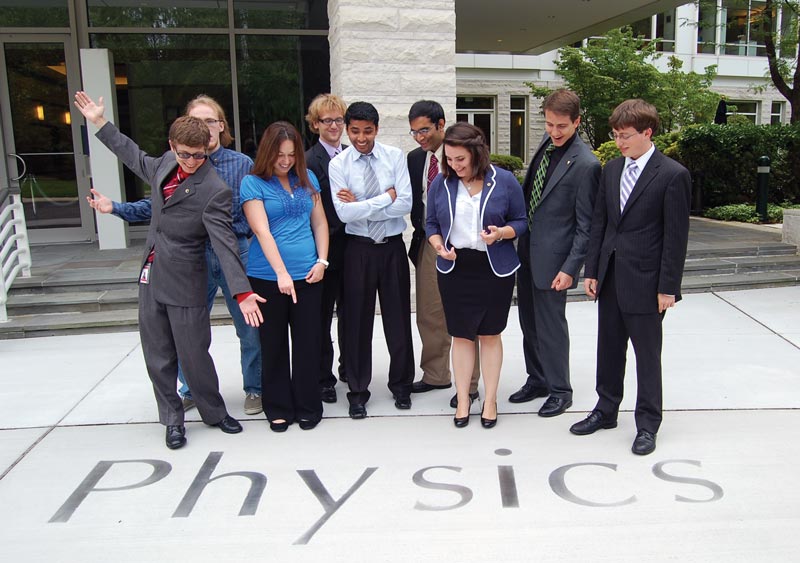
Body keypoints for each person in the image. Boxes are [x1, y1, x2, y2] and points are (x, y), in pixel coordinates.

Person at [74, 91, 264, 450]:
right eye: (185, 154)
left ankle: (213, 411)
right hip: (152, 273)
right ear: (172, 146)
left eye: (199, 155)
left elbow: (224, 243)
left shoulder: (215, 190)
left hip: (187, 280)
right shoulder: (163, 164)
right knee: (158, 353)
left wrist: (241, 292)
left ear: (210, 147)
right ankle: (173, 419)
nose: (192, 161)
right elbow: (131, 154)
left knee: (194, 352)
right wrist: (99, 121)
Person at [571, 99, 691, 456]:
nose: (619, 142)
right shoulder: (611, 170)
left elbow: (675, 237)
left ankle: (648, 424)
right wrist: (592, 270)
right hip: (609, 277)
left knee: (647, 356)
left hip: (647, 282)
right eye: (616, 135)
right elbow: (600, 223)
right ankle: (605, 410)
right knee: (608, 350)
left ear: (647, 133)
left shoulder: (672, 175)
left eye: (626, 136)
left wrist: (668, 287)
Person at [426, 122, 527, 429]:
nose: (455, 165)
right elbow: (431, 224)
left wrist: (502, 233)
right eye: (451, 159)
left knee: (490, 334)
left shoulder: (505, 180)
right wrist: (439, 246)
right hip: (456, 267)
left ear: (477, 154)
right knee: (461, 335)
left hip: (493, 267)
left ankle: (491, 400)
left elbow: (521, 221)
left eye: (461, 159)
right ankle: (464, 398)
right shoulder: (440, 183)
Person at [509, 89, 600, 417]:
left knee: (551, 327)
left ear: (576, 121)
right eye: (549, 124)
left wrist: (570, 267)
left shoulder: (587, 165)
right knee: (528, 323)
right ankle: (538, 379)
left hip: (556, 261)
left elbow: (585, 226)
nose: (554, 131)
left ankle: (561, 390)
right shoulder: (545, 147)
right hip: (528, 255)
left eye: (561, 126)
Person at [329, 101, 414, 419]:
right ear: (347, 130)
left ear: (376, 129)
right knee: (356, 323)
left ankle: (402, 385)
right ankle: (357, 391)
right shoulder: (339, 165)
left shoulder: (394, 156)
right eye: (355, 131)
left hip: (392, 248)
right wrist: (384, 198)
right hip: (358, 250)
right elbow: (344, 212)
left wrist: (364, 202)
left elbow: (404, 204)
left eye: (367, 131)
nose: (361, 137)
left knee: (398, 320)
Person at [242, 122, 328, 432]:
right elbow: (262, 231)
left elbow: (319, 224)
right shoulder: (252, 184)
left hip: (308, 275)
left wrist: (322, 261)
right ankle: (277, 406)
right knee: (273, 343)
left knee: (308, 342)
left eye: (292, 154)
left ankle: (308, 403)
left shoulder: (307, 179)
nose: (286, 161)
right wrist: (281, 273)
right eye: (280, 154)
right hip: (267, 277)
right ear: (267, 152)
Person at [406, 100, 481, 408]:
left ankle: (471, 383)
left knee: (465, 313)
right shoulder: (414, 159)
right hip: (428, 242)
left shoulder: (460, 156)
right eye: (413, 132)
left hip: (463, 244)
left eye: (424, 130)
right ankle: (436, 373)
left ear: (441, 124)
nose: (420, 137)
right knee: (429, 311)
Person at [304, 93, 348, 404]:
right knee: (321, 316)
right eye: (326, 120)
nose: (333, 125)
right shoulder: (307, 161)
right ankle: (324, 377)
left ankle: (350, 367)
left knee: (352, 312)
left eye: (338, 119)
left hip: (354, 245)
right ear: (315, 124)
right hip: (323, 248)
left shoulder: (351, 155)